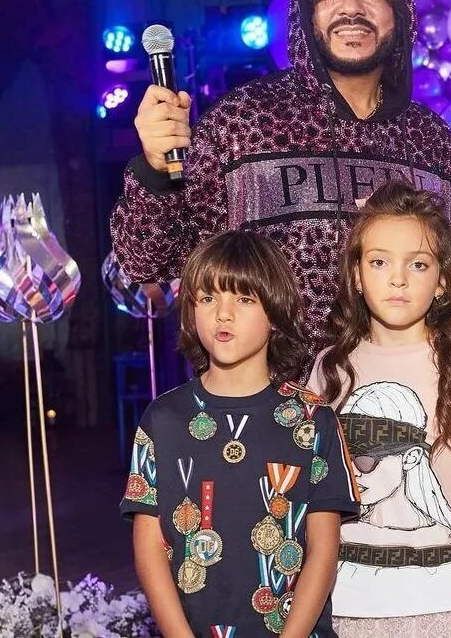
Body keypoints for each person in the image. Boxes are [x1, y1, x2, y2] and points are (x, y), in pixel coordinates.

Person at [111, 0, 451, 348]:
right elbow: (148, 263)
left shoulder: (431, 141)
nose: (351, 8)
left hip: (404, 387)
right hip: (278, 389)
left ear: (400, 11)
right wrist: (155, 171)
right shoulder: (243, 122)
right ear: (306, 12)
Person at [120, 231, 360, 636]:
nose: (223, 314)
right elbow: (149, 545)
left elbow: (323, 550)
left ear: (275, 313)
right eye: (207, 298)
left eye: (244, 299)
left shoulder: (313, 420)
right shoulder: (162, 419)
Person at [308, 181, 451, 636]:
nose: (397, 279)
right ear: (356, 275)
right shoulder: (330, 368)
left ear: (442, 281)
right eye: (379, 262)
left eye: (417, 264)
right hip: (351, 599)